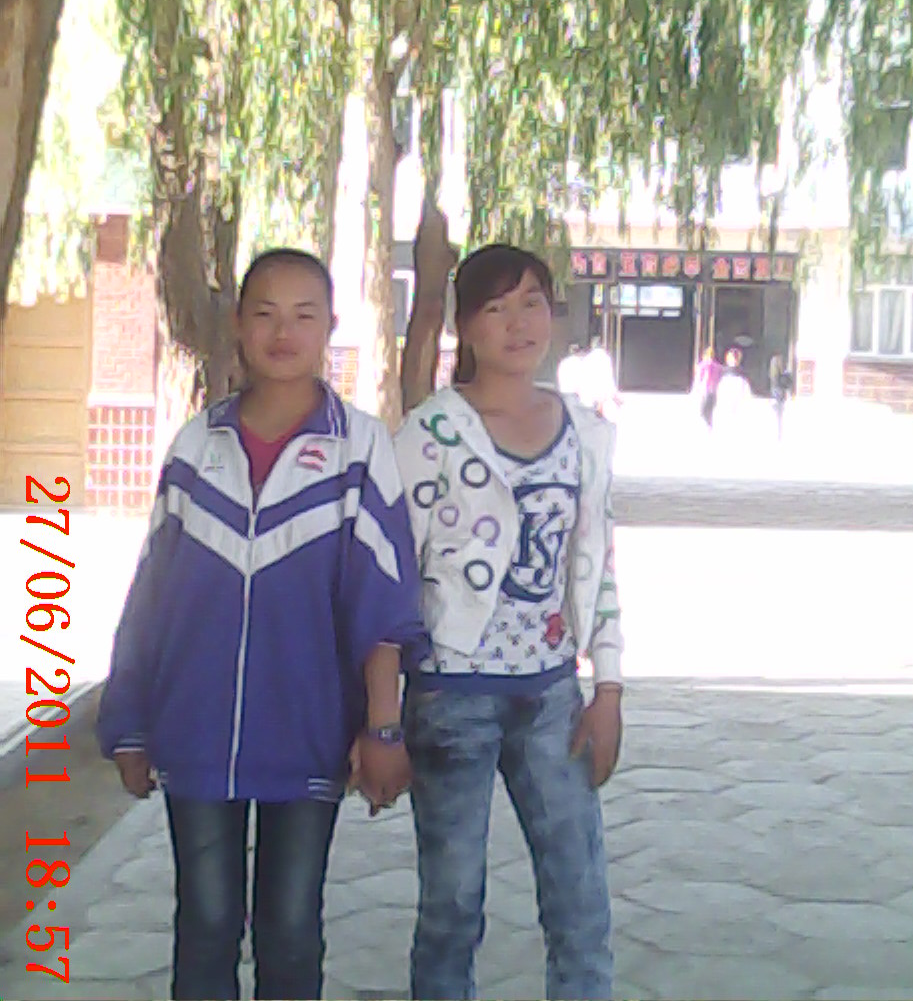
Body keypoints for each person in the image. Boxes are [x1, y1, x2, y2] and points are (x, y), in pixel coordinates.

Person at [97, 248, 427, 1001]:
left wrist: (382, 727)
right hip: (197, 731)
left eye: (304, 315)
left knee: (289, 927)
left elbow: (382, 599)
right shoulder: (197, 446)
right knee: (206, 923)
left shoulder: (358, 448)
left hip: (307, 729)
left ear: (330, 327)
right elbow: (151, 597)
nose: (284, 332)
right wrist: (131, 723)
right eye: (265, 314)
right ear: (240, 327)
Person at [395, 243, 623, 1001]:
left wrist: (609, 687)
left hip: (552, 696)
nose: (518, 323)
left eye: (532, 303)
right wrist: (378, 718)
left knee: (580, 899)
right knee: (452, 908)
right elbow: (390, 574)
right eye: (496, 308)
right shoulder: (431, 434)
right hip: (451, 697)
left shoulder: (584, 431)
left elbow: (597, 562)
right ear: (466, 325)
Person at [713, 346, 752, 436]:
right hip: (731, 404)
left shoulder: (723, 375)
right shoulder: (741, 376)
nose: (733, 361)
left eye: (734, 358)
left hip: (731, 404)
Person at [581, 335, 622, 418]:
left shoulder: (586, 358)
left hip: (589, 392)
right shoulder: (605, 357)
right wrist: (614, 395)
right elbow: (608, 376)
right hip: (602, 391)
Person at [693, 346, 723, 428]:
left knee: (704, 410)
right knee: (709, 409)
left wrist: (697, 388)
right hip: (712, 390)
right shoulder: (718, 367)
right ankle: (709, 423)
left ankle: (707, 424)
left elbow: (698, 379)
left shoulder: (702, 365)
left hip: (706, 390)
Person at [769, 352, 793, 441]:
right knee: (779, 418)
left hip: (777, 399)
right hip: (780, 398)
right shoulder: (781, 376)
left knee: (778, 419)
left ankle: (778, 435)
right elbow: (787, 383)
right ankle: (779, 435)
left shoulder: (774, 377)